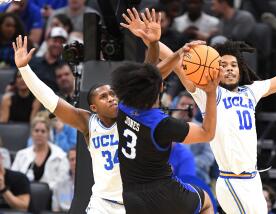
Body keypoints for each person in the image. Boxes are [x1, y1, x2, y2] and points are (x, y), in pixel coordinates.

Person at [12, 8, 167, 212]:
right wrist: (24, 69)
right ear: (93, 107)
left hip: (135, 203)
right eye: (104, 97)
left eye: (113, 94)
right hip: (102, 205)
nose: (111, 98)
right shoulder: (88, 123)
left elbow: (149, 75)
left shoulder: (131, 113)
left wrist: (154, 43)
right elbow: (50, 99)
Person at [158, 39, 276, 213]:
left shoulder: (251, 92)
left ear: (240, 69)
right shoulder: (208, 93)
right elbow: (178, 65)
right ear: (213, 68)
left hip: (253, 179)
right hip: (232, 180)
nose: (229, 68)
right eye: (223, 64)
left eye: (233, 65)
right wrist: (153, 42)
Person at [113, 9, 219, 214]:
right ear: (160, 88)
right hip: (164, 193)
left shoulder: (124, 107)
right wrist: (211, 93)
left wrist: (168, 50)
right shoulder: (162, 124)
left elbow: (148, 75)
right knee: (205, 200)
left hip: (132, 197)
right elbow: (208, 133)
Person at [11, 115, 69, 191]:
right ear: (32, 133)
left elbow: (62, 182)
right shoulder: (21, 155)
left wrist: (42, 191)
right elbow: (13, 179)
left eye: (43, 131)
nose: (39, 134)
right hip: (24, 197)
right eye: (36, 130)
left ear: (48, 133)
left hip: (51, 198)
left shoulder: (60, 156)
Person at [52, 147, 76, 212]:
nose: (75, 163)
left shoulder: (92, 184)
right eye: (72, 159)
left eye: (77, 159)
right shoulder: (59, 183)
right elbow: (55, 209)